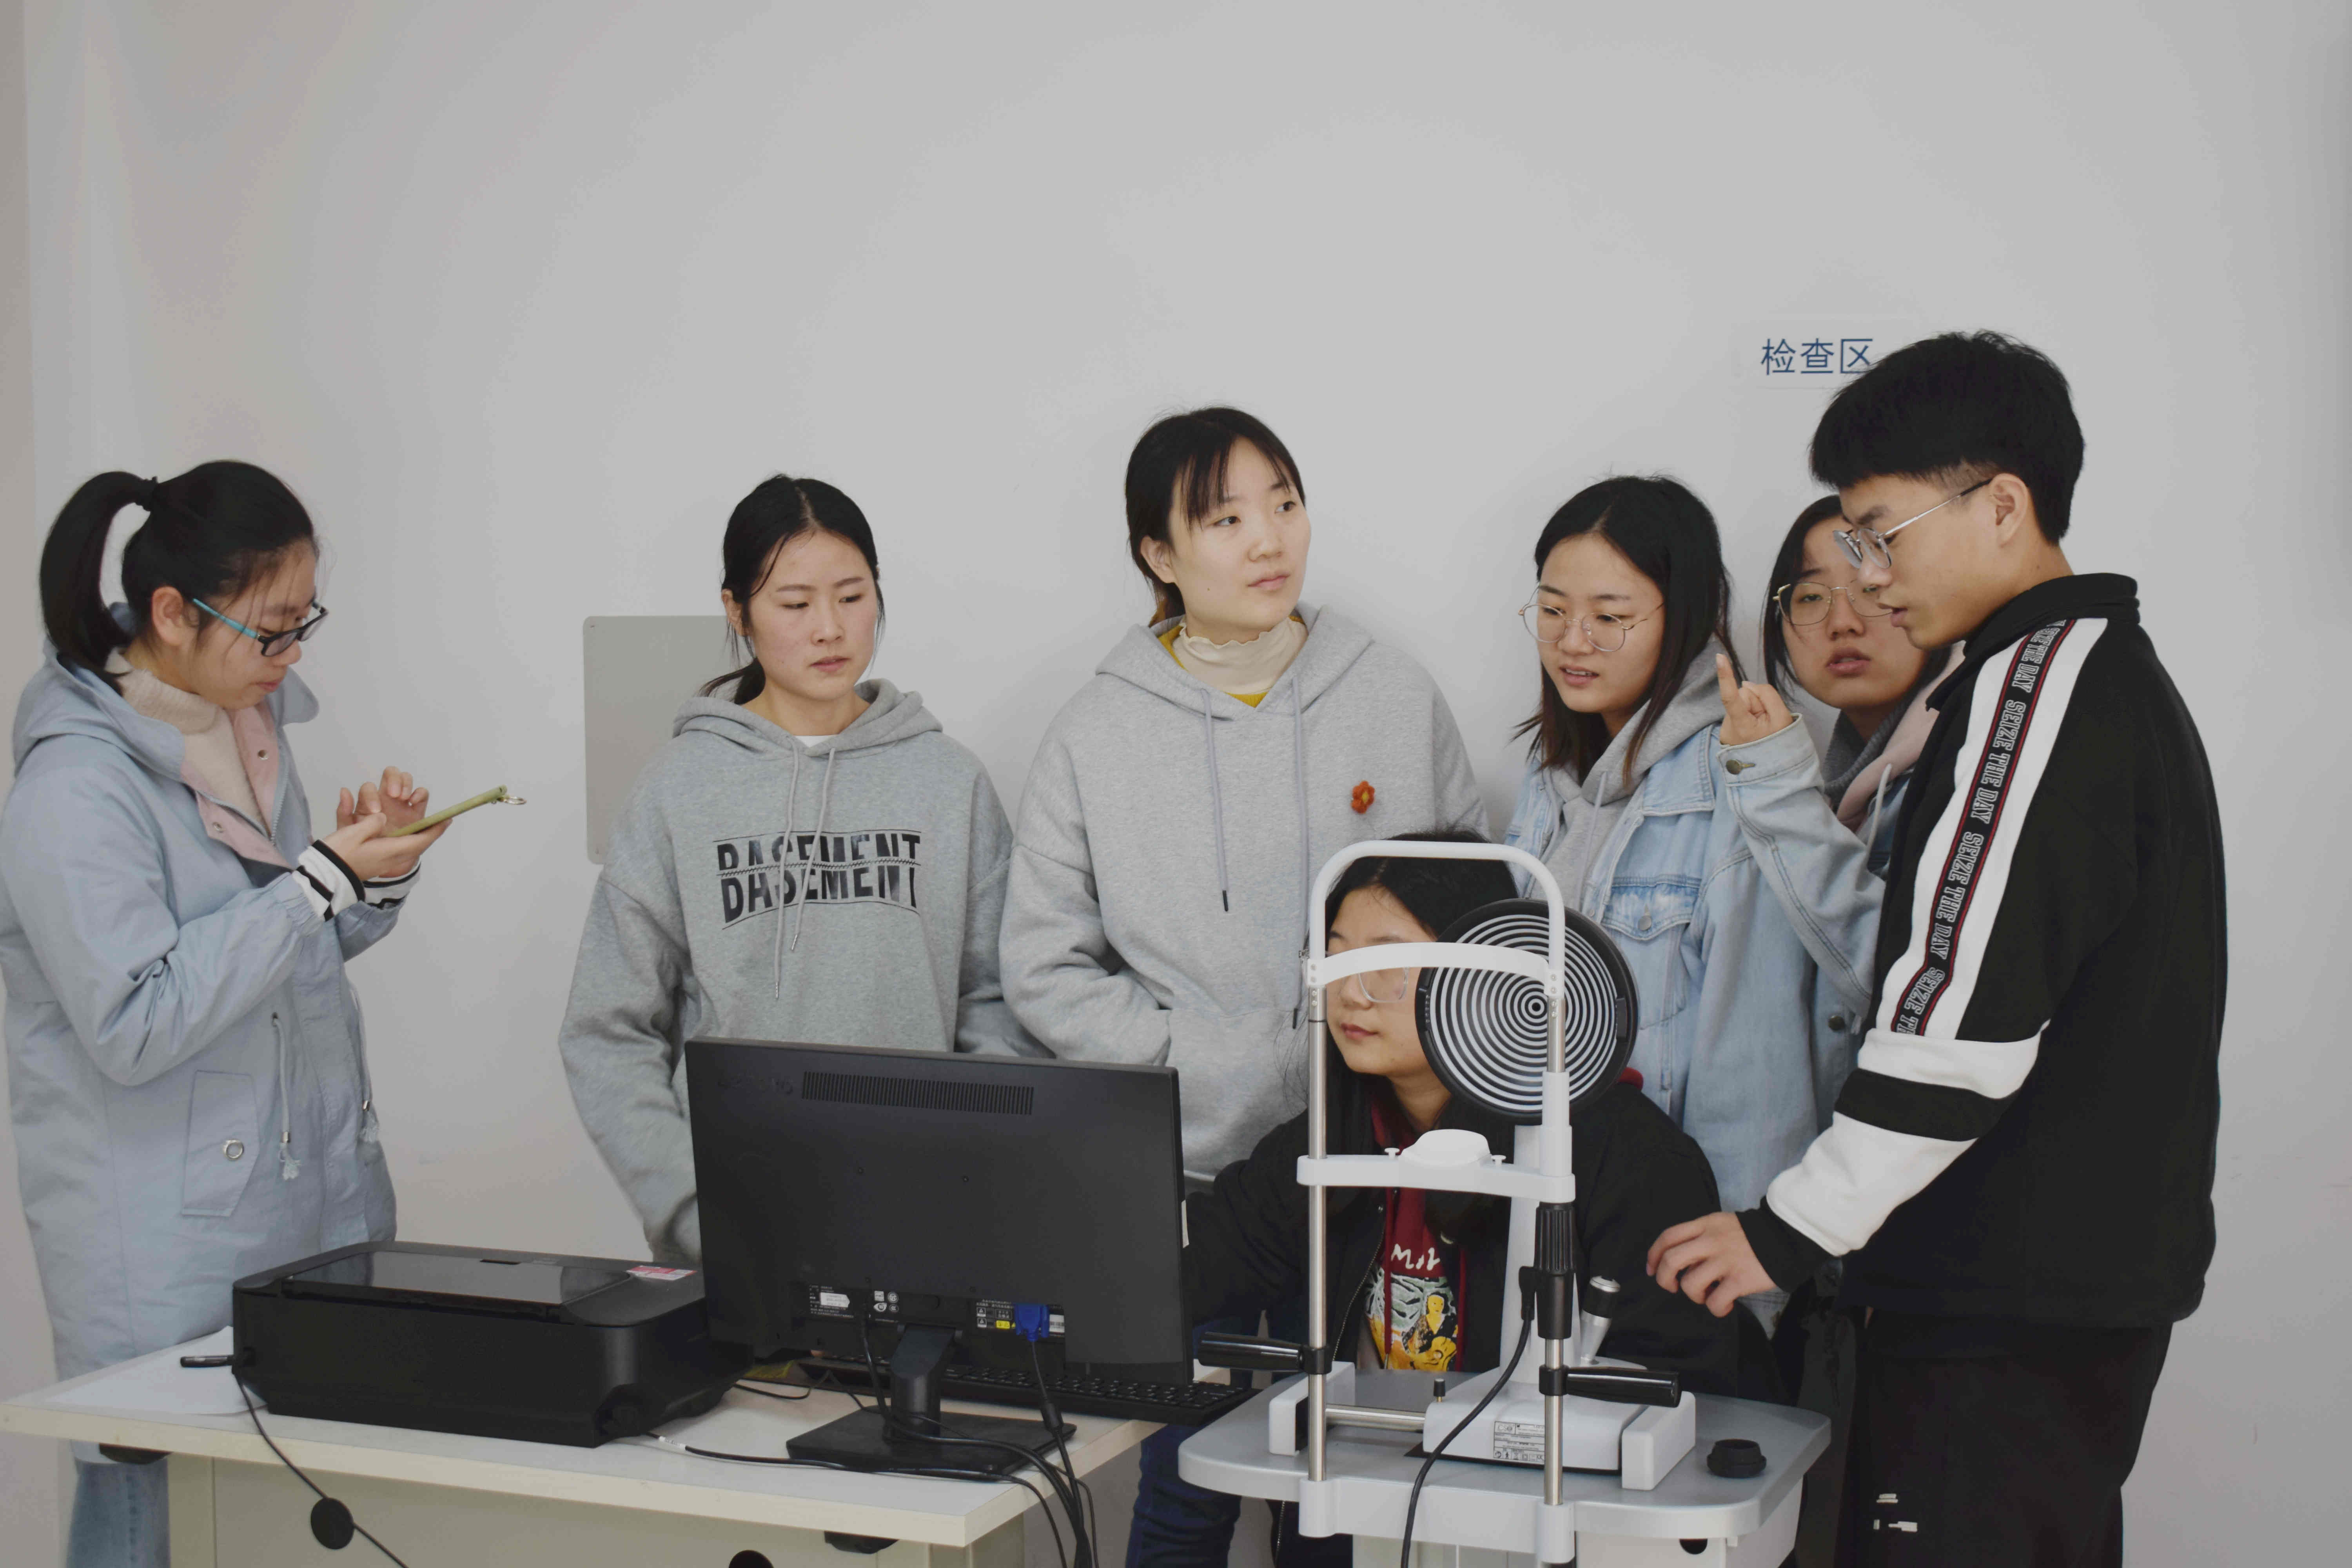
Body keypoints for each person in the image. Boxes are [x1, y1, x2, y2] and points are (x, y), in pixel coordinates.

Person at [1648, 332, 2225, 1568]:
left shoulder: (2038, 694)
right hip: (2041, 1289)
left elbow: (1957, 1028)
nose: (1869, 579)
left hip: (2002, 1297)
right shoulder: (2060, 681)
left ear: (2002, 506)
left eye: (1881, 535)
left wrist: (1784, 1231)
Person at [1000, 407, 1485, 1568]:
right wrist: (1194, 1054)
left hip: (1370, 1169)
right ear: (1158, 554)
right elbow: (1044, 964)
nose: (1270, 539)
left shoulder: (1391, 692)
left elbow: (1470, 912)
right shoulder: (1095, 731)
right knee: (1186, 1485)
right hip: (1193, 1182)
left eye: (1285, 503)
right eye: (1225, 519)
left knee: (1344, 1495)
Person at [0, 463, 447, 1568]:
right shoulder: (73, 789)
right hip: (165, 1240)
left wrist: (367, 879)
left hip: (299, 1211)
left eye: (304, 623)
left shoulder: (241, 723)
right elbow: (136, 1020)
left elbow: (275, 970)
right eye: (270, 629)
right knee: (150, 1519)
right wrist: (314, 884)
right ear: (171, 614)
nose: (291, 655)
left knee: (280, 1531)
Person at [1184, 833, 1740, 1567]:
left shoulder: (1623, 1153)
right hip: (1375, 1507)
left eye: (1386, 961)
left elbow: (1692, 1389)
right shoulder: (1323, 1140)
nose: (1352, 992)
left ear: (1485, 972)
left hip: (1561, 1529)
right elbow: (1205, 1267)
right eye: (1336, 958)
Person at [561, 473, 1032, 1267]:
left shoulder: (949, 782)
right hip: (736, 1231)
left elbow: (996, 1000)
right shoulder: (678, 788)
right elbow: (608, 1028)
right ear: (736, 609)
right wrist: (689, 1207)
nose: (829, 628)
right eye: (794, 603)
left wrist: (965, 1170)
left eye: (852, 596)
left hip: (922, 1221)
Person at [1499, 475, 1871, 1336]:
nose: (1573, 641)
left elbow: (1758, 1067)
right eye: (1552, 610)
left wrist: (1749, 1298)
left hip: (1687, 1253)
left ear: (1689, 617)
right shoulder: (1551, 777)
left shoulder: (1736, 779)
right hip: (1566, 1223)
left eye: (1611, 615)